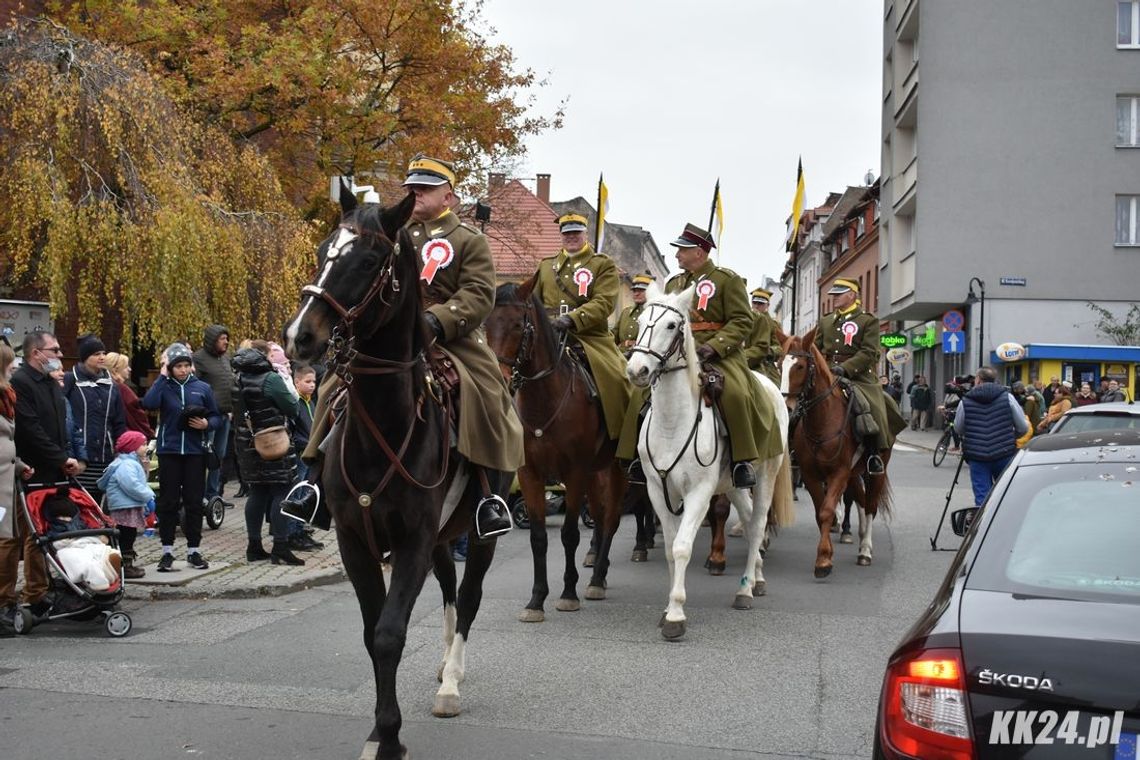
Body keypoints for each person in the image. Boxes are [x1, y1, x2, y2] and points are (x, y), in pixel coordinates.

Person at [282, 154, 524, 539]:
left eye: (426, 187)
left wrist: (434, 321)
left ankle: (486, 497)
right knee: (334, 387)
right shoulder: (391, 235)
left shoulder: (469, 240)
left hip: (451, 339)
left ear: (449, 197)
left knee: (487, 394)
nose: (417, 193)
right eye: (413, 187)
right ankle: (313, 482)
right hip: (390, 335)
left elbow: (478, 296)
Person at [619, 223, 782, 487]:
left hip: (718, 355)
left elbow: (742, 321)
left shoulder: (726, 280)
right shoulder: (675, 283)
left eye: (682, 250)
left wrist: (714, 346)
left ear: (700, 251)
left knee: (736, 395)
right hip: (677, 353)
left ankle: (742, 462)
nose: (677, 256)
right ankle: (636, 459)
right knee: (641, 393)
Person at [533, 212, 632, 444]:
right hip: (550, 337)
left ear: (585, 233)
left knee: (619, 380)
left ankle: (620, 440)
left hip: (590, 338)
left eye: (576, 232)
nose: (571, 237)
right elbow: (533, 303)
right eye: (567, 233)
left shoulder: (602, 264)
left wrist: (572, 319)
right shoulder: (547, 266)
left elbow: (604, 302)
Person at [10, 332, 80, 618]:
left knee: (42, 532)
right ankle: (21, 595)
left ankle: (39, 589)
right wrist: (61, 458)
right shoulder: (21, 383)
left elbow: (57, 425)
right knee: (23, 534)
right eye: (55, 350)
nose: (60, 355)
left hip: (53, 467)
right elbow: (31, 429)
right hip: (30, 469)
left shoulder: (50, 383)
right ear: (37, 353)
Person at [141, 342, 222, 572]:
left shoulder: (202, 388)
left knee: (194, 502)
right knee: (167, 502)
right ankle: (166, 551)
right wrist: (162, 375)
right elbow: (149, 404)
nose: (184, 370)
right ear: (171, 367)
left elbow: (217, 416)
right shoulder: (164, 386)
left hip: (195, 453)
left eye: (187, 365)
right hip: (170, 451)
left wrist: (208, 424)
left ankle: (193, 550)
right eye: (179, 366)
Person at [815, 277, 907, 475]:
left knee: (870, 407)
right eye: (834, 294)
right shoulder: (826, 321)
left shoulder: (868, 320)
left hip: (859, 377)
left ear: (852, 295)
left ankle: (874, 453)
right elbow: (816, 348)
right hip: (829, 373)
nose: (835, 298)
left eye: (839, 294)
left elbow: (869, 352)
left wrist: (846, 368)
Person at [232, 341, 304, 565]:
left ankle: (254, 547)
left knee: (258, 492)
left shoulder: (238, 379)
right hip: (274, 442)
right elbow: (292, 407)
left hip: (247, 443)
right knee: (282, 491)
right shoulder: (271, 379)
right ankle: (280, 547)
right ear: (263, 358)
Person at [1, 341, 41, 632]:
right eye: (9, 365)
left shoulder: (6, 395)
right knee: (3, 541)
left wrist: (18, 465)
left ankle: (8, 598)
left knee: (10, 537)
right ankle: (3, 600)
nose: (14, 368)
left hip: (8, 479)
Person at [62, 334, 127, 503]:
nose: (102, 357)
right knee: (79, 502)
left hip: (106, 455)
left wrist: (122, 451)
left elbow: (119, 421)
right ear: (85, 357)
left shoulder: (112, 385)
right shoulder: (70, 380)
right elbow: (62, 415)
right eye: (96, 354)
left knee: (101, 504)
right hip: (80, 457)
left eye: (103, 353)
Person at [954, 367, 1028, 506]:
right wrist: (1010, 436)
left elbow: (958, 428)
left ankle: (983, 523)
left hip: (977, 455)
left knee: (982, 495)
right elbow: (1023, 427)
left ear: (978, 380)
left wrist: (973, 434)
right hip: (1004, 452)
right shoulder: (1008, 397)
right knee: (1004, 492)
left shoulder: (966, 400)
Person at [96, 430, 155, 579]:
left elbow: (139, 481)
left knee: (125, 535)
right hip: (124, 508)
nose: (146, 447)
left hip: (126, 505)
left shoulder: (130, 462)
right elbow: (132, 485)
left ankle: (121, 564)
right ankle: (123, 566)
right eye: (143, 444)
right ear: (132, 447)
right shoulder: (127, 464)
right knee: (126, 535)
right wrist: (148, 496)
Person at [193, 325, 234, 507]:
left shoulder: (226, 359)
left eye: (226, 338)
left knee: (219, 455)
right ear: (212, 340)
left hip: (225, 416)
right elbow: (194, 386)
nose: (226, 342)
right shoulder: (198, 358)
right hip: (207, 418)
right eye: (222, 338)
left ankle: (213, 494)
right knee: (205, 455)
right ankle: (199, 494)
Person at [103, 352, 155, 439]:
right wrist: (149, 432)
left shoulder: (104, 387)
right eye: (126, 367)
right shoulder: (122, 389)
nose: (129, 369)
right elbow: (136, 411)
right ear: (116, 370)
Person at [743, 287, 782, 384]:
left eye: (760, 304)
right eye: (754, 303)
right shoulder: (743, 319)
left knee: (775, 388)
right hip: (743, 359)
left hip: (764, 364)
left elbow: (780, 347)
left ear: (767, 305)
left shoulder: (773, 324)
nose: (756, 306)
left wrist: (769, 351)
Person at [613, 273, 654, 352]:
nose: (636, 294)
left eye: (641, 290)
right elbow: (613, 337)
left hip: (642, 357)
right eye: (634, 290)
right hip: (620, 356)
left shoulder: (654, 313)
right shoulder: (626, 312)